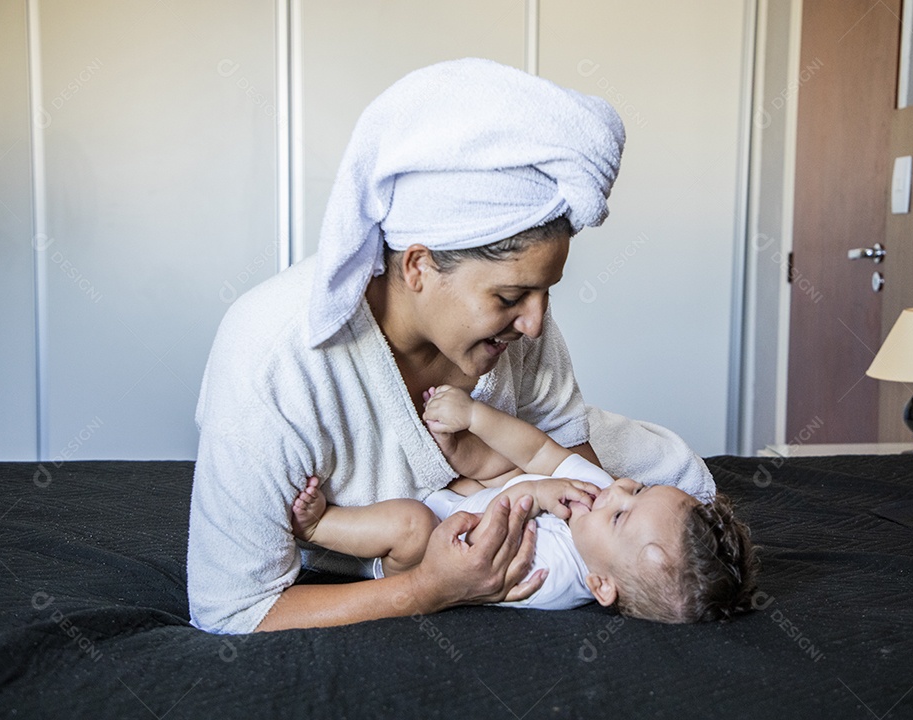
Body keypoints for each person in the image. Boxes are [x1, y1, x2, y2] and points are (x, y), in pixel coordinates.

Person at [187, 58, 716, 635]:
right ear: (418, 266)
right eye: (513, 294)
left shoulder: (521, 331)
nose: (536, 324)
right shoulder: (272, 357)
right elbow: (234, 611)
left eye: (545, 293)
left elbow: (574, 475)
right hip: (394, 542)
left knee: (677, 489)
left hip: (518, 483)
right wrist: (427, 589)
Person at [292, 386, 758, 622]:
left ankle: (317, 530)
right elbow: (539, 453)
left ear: (600, 585)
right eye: (638, 489)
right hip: (468, 501)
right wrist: (476, 418)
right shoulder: (597, 496)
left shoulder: (551, 577)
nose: (619, 488)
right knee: (511, 468)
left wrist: (532, 493)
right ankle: (454, 447)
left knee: (411, 523)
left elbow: (473, 535)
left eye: (620, 515)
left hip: (431, 551)